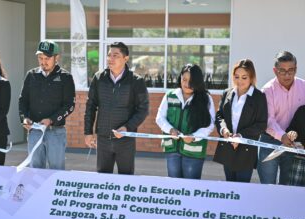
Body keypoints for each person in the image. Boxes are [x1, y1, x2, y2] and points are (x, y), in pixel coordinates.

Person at [84, 42, 149, 175]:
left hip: (125, 140)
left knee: (126, 179)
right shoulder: (99, 78)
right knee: (102, 179)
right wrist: (88, 132)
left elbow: (143, 109)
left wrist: (127, 128)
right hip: (103, 139)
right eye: (109, 55)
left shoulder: (136, 81)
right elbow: (90, 106)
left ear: (126, 58)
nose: (110, 59)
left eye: (115, 55)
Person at [19, 40, 75, 170]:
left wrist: (51, 120)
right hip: (34, 131)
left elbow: (70, 105)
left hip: (55, 132)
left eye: (47, 58)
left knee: (57, 171)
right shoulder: (31, 75)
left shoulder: (66, 77)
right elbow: (23, 100)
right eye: (40, 58)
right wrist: (24, 118)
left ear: (57, 58)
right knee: (35, 171)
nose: (43, 62)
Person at [156, 64, 215, 179]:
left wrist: (194, 137)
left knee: (190, 188)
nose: (187, 84)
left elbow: (210, 125)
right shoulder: (170, 95)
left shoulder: (205, 99)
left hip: (194, 152)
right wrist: (171, 130)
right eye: (184, 79)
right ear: (180, 78)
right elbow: (160, 117)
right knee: (174, 187)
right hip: (172, 149)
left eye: (191, 81)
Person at [213, 59, 267, 182]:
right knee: (230, 186)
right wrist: (223, 129)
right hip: (228, 146)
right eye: (236, 77)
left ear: (251, 77)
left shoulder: (259, 97)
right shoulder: (227, 93)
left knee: (242, 188)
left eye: (244, 77)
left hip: (246, 149)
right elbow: (219, 115)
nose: (239, 81)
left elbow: (261, 124)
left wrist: (241, 136)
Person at [257, 51, 305, 185]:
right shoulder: (267, 90)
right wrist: (282, 135)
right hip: (269, 142)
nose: (288, 75)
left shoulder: (304, 86)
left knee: (287, 187)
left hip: (294, 144)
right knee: (268, 186)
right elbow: (269, 120)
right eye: (282, 71)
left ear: (296, 69)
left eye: (291, 70)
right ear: (275, 70)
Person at [285, 106, 305, 186]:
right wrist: (292, 134)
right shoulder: (302, 110)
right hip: (299, 159)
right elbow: (291, 129)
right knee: (293, 193)